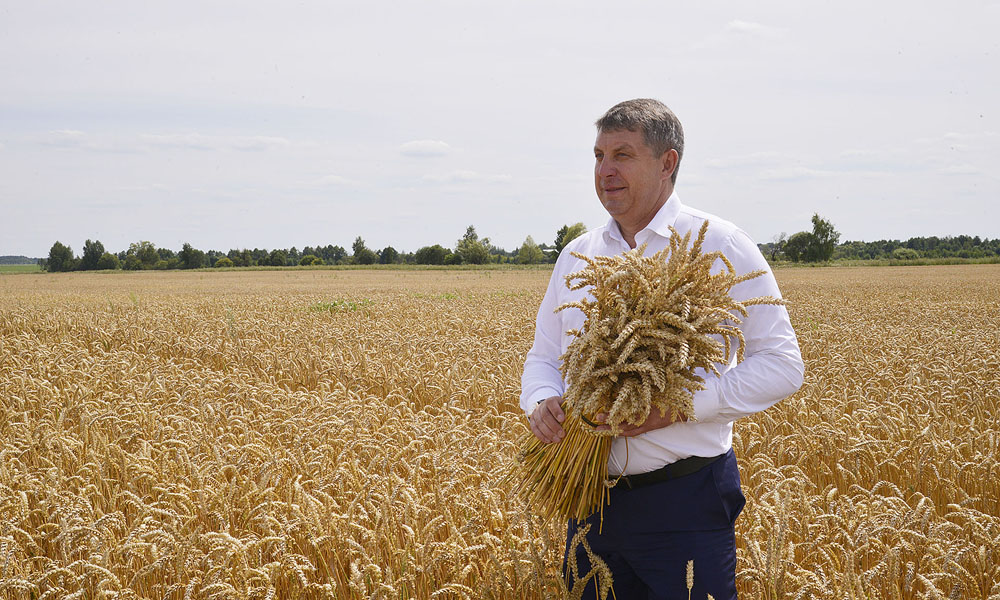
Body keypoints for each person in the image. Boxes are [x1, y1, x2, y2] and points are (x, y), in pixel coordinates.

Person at [520, 98, 804, 599]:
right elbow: (544, 356)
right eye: (598, 155)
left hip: (685, 501)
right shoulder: (577, 255)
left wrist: (675, 406)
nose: (605, 171)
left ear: (668, 162)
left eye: (623, 155)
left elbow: (783, 366)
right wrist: (540, 401)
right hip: (588, 500)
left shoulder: (721, 245)